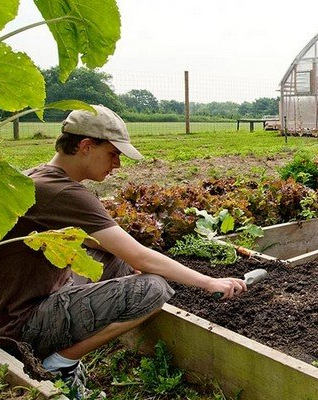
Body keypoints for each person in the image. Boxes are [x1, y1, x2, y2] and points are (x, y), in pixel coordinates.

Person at [0, 105, 248, 398]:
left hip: (16, 305)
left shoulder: (40, 177)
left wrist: (130, 260)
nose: (117, 164)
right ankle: (59, 364)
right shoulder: (65, 193)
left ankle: (61, 352)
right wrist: (209, 281)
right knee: (153, 290)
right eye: (113, 154)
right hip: (21, 327)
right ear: (86, 146)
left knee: (115, 258)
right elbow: (140, 256)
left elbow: (105, 245)